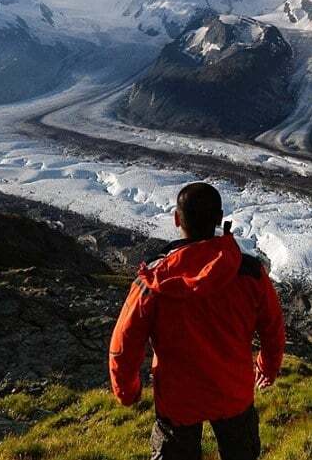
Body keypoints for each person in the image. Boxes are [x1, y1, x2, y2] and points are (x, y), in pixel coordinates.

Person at [109, 182, 285, 460]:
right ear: (219, 218)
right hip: (234, 393)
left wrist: (127, 392)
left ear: (177, 219)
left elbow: (124, 343)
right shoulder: (250, 273)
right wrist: (267, 367)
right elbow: (273, 329)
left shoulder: (154, 281)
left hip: (177, 400)